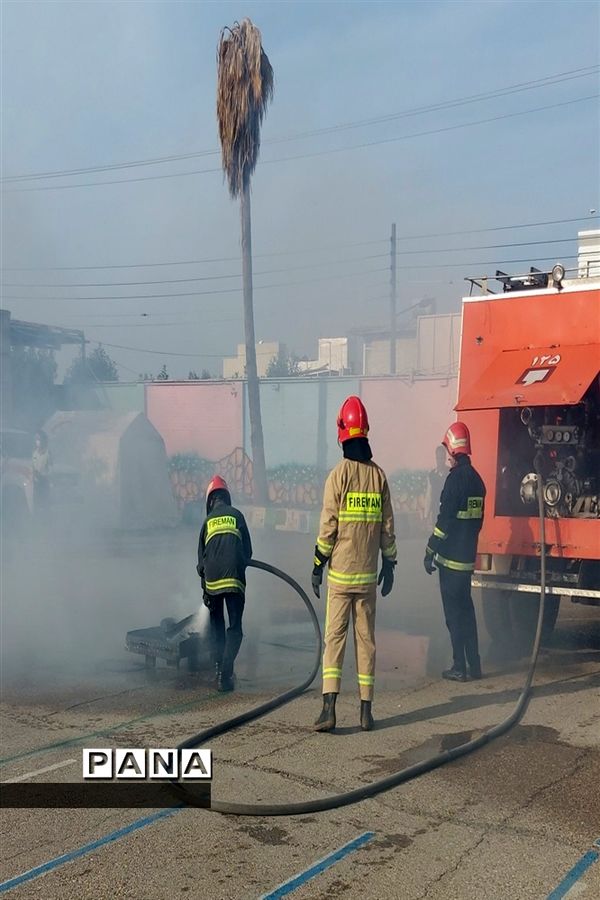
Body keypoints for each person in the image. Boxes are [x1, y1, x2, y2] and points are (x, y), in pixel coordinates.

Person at [311, 396, 397, 732]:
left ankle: (328, 709)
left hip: (341, 577)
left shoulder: (338, 476)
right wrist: (390, 565)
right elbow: (387, 528)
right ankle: (366, 711)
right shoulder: (379, 478)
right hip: (367, 580)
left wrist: (318, 564)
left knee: (335, 639)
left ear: (342, 432)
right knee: (367, 641)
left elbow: (328, 527)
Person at [423, 421, 486, 682]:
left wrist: (430, 550)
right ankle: (475, 665)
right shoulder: (477, 481)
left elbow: (444, 521)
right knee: (468, 613)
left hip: (449, 562)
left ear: (451, 448)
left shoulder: (454, 481)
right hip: (467, 559)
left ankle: (459, 667)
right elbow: (477, 522)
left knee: (454, 616)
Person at [197, 475, 253, 692]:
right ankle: (226, 673)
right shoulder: (237, 515)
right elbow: (248, 551)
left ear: (210, 501)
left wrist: (205, 590)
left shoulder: (207, 521)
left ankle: (219, 667)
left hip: (211, 581)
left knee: (217, 625)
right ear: (226, 498)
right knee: (235, 628)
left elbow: (201, 562)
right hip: (234, 579)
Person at [424, 445, 448, 528]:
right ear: (436, 458)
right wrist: (426, 515)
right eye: (438, 458)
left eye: (442, 458)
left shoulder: (450, 474)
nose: (440, 461)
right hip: (435, 512)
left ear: (445, 458)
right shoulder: (431, 475)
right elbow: (429, 496)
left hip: (447, 512)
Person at [31, 430, 51, 519]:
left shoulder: (48, 453)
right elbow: (32, 466)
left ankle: (46, 519)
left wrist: (44, 475)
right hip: (35, 482)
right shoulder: (34, 453)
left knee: (45, 503)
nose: (37, 441)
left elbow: (51, 468)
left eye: (38, 439)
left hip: (44, 482)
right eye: (36, 439)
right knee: (36, 503)